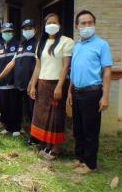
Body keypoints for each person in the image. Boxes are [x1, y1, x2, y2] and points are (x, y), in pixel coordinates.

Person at [67, 10, 113, 174]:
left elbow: (107, 71)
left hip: (92, 93)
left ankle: (90, 164)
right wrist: (70, 91)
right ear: (77, 26)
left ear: (94, 24)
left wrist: (105, 96)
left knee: (90, 130)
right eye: (83, 23)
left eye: (90, 23)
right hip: (77, 92)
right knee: (78, 129)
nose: (87, 26)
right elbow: (73, 70)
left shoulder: (102, 45)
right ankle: (79, 158)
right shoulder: (77, 46)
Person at [29, 13, 74, 160]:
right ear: (44, 26)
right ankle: (47, 145)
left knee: (56, 116)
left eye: (55, 22)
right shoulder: (41, 43)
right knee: (43, 117)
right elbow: (38, 67)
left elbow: (66, 66)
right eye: (49, 23)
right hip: (42, 84)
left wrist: (60, 86)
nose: (52, 25)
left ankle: (56, 148)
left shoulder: (66, 41)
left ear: (60, 25)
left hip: (56, 84)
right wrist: (33, 85)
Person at [0, 19, 38, 143]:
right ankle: (32, 135)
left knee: (32, 111)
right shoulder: (21, 46)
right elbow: (11, 64)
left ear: (35, 29)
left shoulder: (37, 44)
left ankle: (35, 137)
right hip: (21, 84)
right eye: (25, 28)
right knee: (27, 111)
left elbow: (39, 65)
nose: (27, 31)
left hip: (32, 84)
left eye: (30, 28)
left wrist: (33, 83)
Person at [0, 23, 21, 136]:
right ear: (2, 33)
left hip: (13, 81)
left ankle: (16, 128)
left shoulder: (18, 45)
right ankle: (8, 127)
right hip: (1, 82)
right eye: (5, 32)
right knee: (4, 105)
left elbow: (13, 63)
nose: (7, 34)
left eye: (9, 31)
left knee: (14, 105)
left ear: (13, 32)